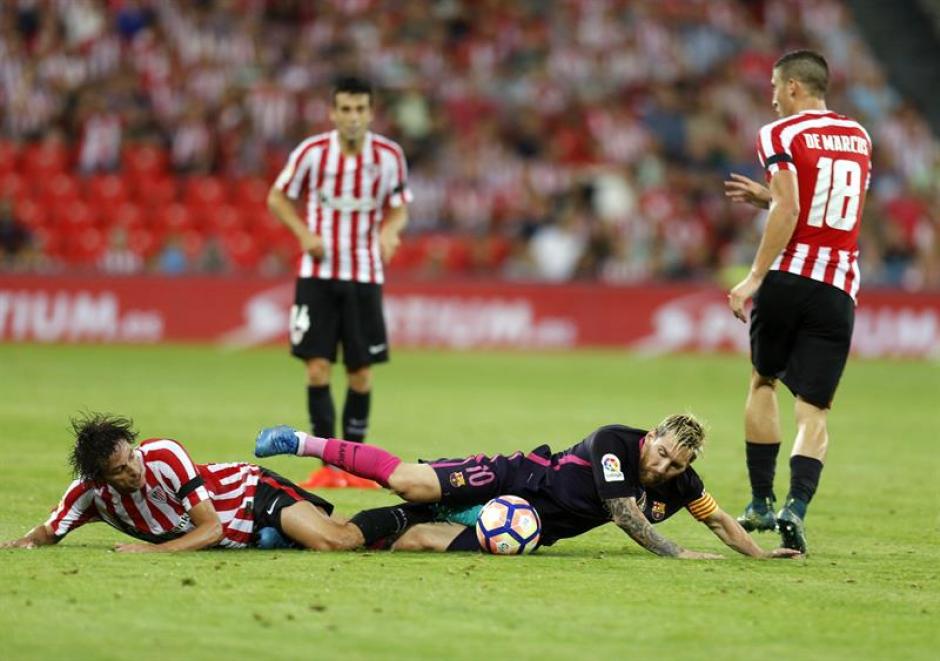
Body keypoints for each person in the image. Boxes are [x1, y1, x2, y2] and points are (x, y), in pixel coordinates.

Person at [254, 415, 801, 559]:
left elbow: (720, 518)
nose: (662, 469)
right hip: (517, 477)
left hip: (528, 527)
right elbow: (626, 514)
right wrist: (678, 553)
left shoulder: (685, 482)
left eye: (675, 466)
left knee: (416, 540)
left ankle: (295, 529)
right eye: (661, 454)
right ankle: (301, 441)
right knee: (411, 484)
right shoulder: (615, 441)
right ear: (652, 436)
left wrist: (755, 555)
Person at [724, 50, 873, 554]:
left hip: (789, 278)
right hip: (839, 287)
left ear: (792, 88)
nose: (770, 96)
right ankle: (797, 506)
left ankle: (762, 500)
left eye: (773, 86)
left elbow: (791, 208)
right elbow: (830, 203)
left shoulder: (780, 134)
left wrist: (752, 277)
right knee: (815, 410)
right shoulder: (859, 136)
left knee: (762, 379)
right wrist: (768, 199)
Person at [266, 75, 411, 489]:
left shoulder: (388, 155)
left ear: (370, 112)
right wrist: (304, 234)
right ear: (332, 112)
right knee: (317, 369)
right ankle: (328, 464)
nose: (352, 117)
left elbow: (400, 206)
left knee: (361, 373)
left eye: (360, 109)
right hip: (317, 276)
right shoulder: (312, 152)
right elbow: (277, 197)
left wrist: (390, 230)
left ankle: (358, 466)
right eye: (345, 109)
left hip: (364, 274)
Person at [0, 413, 364, 552]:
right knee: (331, 538)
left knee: (332, 539)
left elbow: (212, 529)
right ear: (101, 480)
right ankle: (278, 540)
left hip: (252, 493)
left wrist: (154, 552)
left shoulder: (163, 455)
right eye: (121, 470)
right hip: (245, 534)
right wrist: (21, 543)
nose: (134, 470)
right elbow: (50, 530)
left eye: (132, 456)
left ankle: (412, 510)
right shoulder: (89, 495)